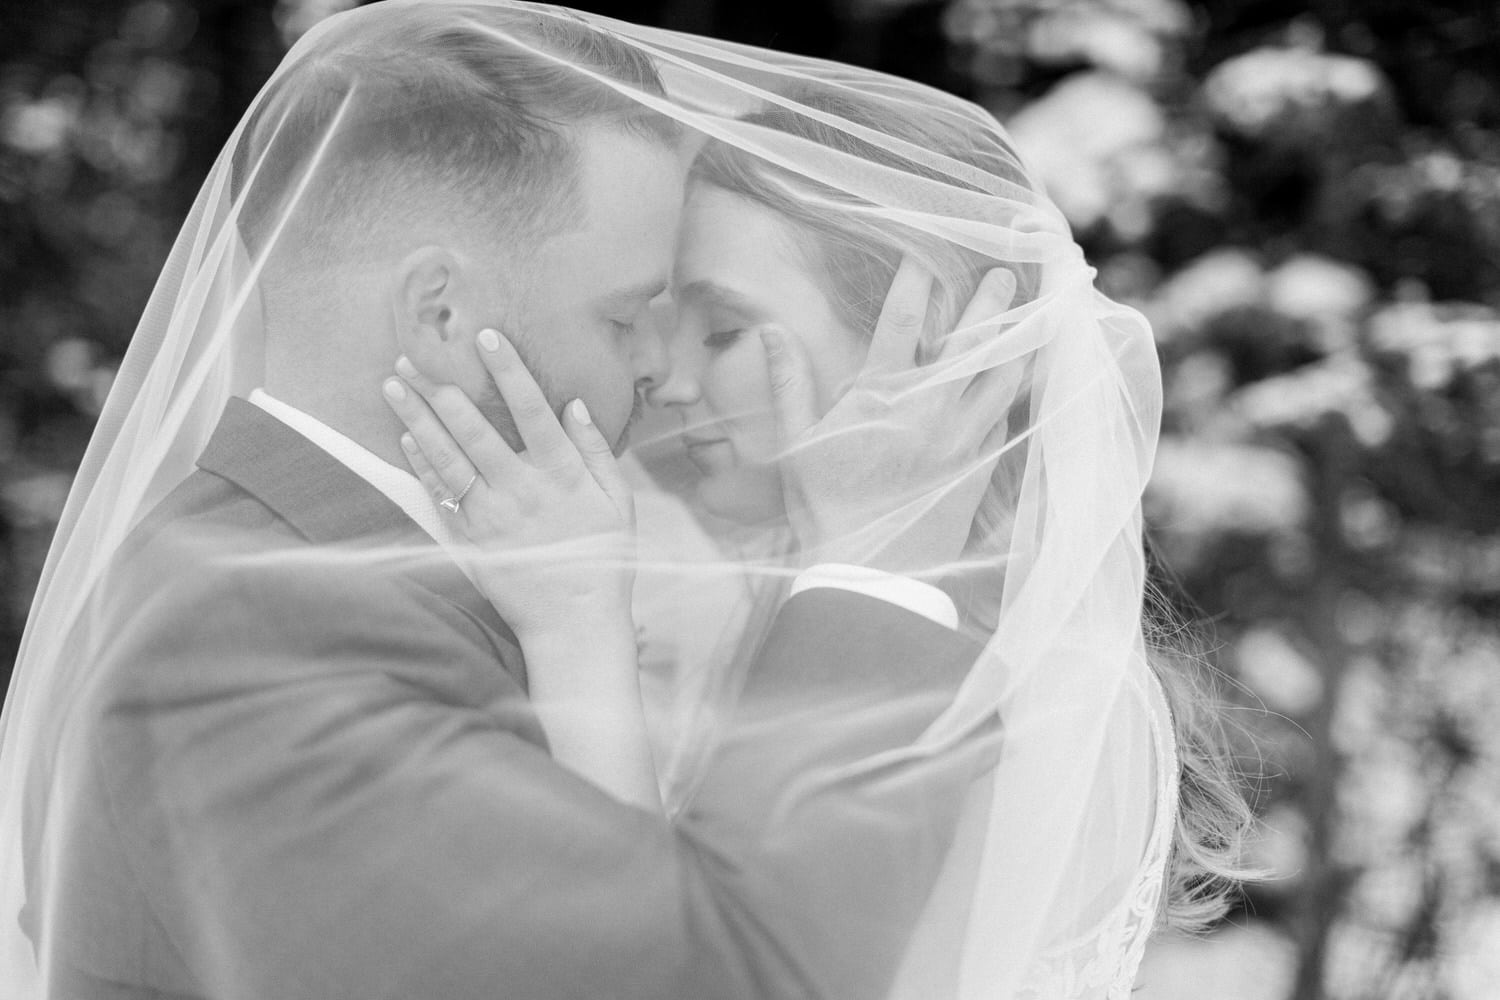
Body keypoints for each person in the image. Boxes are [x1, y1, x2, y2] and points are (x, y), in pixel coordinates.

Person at [0, 5, 1002, 999]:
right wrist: (876, 570)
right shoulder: (246, 642)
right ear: (441, 314)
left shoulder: (343, 577)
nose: (659, 369)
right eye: (625, 315)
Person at [394, 55, 1257, 1000]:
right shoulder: (827, 615)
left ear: (922, 337)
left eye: (723, 332)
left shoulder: (1001, 688)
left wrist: (574, 626)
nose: (670, 383)